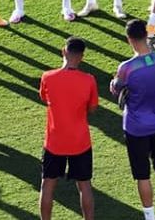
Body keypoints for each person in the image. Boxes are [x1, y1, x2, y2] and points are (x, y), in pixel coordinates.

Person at [110, 20, 155, 220]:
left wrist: (114, 83)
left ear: (129, 39)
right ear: (146, 34)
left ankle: (150, 215)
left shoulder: (127, 68)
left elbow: (116, 89)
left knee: (142, 174)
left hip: (135, 127)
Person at [39, 37, 98, 220]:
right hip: (80, 142)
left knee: (47, 185)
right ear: (82, 57)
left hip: (54, 142)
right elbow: (92, 108)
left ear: (63, 51)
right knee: (84, 186)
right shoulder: (89, 80)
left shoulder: (47, 77)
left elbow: (44, 98)